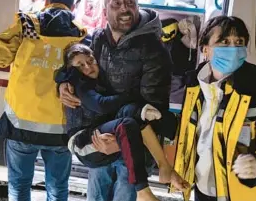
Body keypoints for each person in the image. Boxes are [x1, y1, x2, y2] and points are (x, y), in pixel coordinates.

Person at [59, 0, 173, 201]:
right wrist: (63, 82)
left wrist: (121, 143)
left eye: (130, 3)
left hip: (133, 145)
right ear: (104, 12)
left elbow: (153, 108)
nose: (124, 9)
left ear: (138, 8)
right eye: (117, 4)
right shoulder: (98, 39)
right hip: (101, 135)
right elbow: (73, 61)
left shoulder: (155, 50)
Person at [175, 16, 256, 201]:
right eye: (224, 42)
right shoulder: (194, 87)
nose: (233, 49)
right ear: (205, 50)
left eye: (239, 42)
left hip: (243, 195)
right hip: (203, 189)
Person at [0, 0, 87, 201]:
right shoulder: (80, 34)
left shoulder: (27, 25)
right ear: (72, 6)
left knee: (19, 185)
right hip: (62, 130)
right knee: (58, 187)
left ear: (46, 0)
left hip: (21, 126)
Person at [55, 43, 189, 201]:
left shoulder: (151, 47)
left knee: (132, 114)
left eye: (91, 61)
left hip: (118, 137)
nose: (88, 67)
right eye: (81, 66)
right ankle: (143, 190)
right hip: (85, 140)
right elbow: (101, 104)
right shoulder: (79, 83)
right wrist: (63, 80)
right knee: (126, 122)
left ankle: (164, 166)